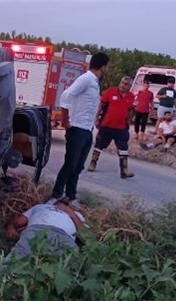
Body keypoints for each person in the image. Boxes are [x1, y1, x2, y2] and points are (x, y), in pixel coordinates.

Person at [50, 52, 110, 206]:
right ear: (102, 67)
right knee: (70, 164)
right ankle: (56, 194)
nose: (107, 70)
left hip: (87, 130)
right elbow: (65, 96)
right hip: (77, 129)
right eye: (106, 67)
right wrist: (66, 121)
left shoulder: (94, 82)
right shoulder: (86, 79)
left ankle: (70, 196)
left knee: (78, 166)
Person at [1, 197, 87, 266]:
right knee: (17, 257)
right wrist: (10, 227)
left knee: (72, 264)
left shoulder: (76, 215)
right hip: (37, 230)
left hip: (64, 235)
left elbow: (84, 234)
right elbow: (18, 222)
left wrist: (71, 213)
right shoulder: (41, 207)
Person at [87, 76, 136, 179]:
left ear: (130, 86)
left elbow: (131, 111)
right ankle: (93, 163)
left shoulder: (131, 96)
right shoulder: (111, 91)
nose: (123, 85)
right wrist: (96, 119)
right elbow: (101, 105)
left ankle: (124, 170)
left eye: (126, 84)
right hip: (106, 125)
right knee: (99, 145)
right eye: (122, 82)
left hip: (121, 128)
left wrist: (128, 122)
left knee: (123, 148)